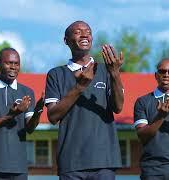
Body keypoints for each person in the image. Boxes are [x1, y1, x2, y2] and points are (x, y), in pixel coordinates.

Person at [44, 20, 124, 180]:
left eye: (88, 31)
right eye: (78, 31)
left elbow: (118, 107)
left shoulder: (107, 70)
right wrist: (79, 87)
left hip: (104, 161)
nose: (84, 34)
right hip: (71, 162)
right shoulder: (56, 74)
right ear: (66, 40)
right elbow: (52, 117)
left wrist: (115, 73)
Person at [0, 48, 44, 180]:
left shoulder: (27, 92)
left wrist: (38, 111)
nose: (13, 67)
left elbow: (30, 129)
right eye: (8, 63)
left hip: (19, 169)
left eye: (16, 64)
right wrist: (10, 116)